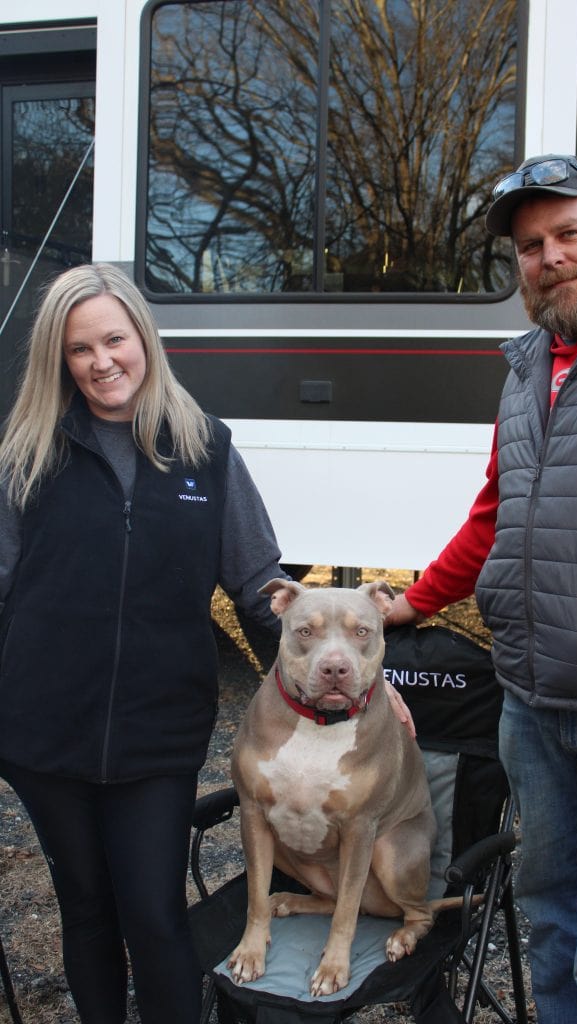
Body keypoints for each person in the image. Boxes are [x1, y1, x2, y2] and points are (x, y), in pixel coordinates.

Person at [386, 155, 577, 1024]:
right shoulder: (527, 364)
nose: (548, 256)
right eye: (527, 246)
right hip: (530, 704)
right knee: (548, 926)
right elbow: (493, 512)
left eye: (567, 234)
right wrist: (412, 603)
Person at [0, 263, 290, 1024]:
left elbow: (259, 586)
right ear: (58, 361)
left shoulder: (204, 449)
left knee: (154, 914)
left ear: (144, 339)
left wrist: (345, 692)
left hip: (157, 734)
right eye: (79, 350)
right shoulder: (26, 453)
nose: (101, 363)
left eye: (113, 341)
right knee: (87, 908)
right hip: (42, 734)